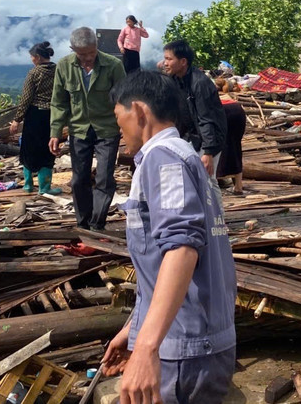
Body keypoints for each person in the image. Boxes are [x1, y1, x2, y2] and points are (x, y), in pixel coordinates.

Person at [102, 70, 236, 403]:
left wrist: (147, 346)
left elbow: (181, 249)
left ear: (139, 111)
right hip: (197, 345)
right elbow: (161, 267)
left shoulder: (163, 160)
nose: (122, 135)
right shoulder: (187, 158)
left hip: (184, 354)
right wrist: (133, 329)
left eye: (121, 123)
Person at [49, 27, 126, 229]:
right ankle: (83, 222)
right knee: (79, 179)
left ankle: (97, 223)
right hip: (79, 130)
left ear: (97, 47)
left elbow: (124, 100)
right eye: (82, 54)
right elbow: (58, 102)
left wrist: (127, 129)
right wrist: (55, 133)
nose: (88, 58)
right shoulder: (64, 66)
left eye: (92, 53)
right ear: (72, 49)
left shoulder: (113, 65)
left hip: (107, 129)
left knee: (104, 178)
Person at [161, 40, 227, 183]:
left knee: (207, 181)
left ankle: (215, 206)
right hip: (190, 135)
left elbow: (207, 118)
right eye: (165, 58)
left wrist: (208, 152)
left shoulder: (200, 83)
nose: (165, 63)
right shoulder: (174, 79)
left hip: (210, 138)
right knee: (191, 179)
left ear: (183, 61)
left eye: (169, 59)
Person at [10, 42, 61, 195]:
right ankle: (44, 188)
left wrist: (17, 119)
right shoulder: (59, 70)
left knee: (29, 147)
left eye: (32, 57)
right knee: (47, 149)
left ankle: (28, 185)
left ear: (38, 57)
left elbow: (26, 98)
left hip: (34, 115)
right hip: (52, 114)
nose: (32, 60)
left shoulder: (34, 73)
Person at [215, 80, 246, 194]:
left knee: (216, 147)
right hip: (237, 110)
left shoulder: (206, 91)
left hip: (222, 110)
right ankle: (238, 186)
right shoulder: (229, 95)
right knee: (235, 146)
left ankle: (217, 181)